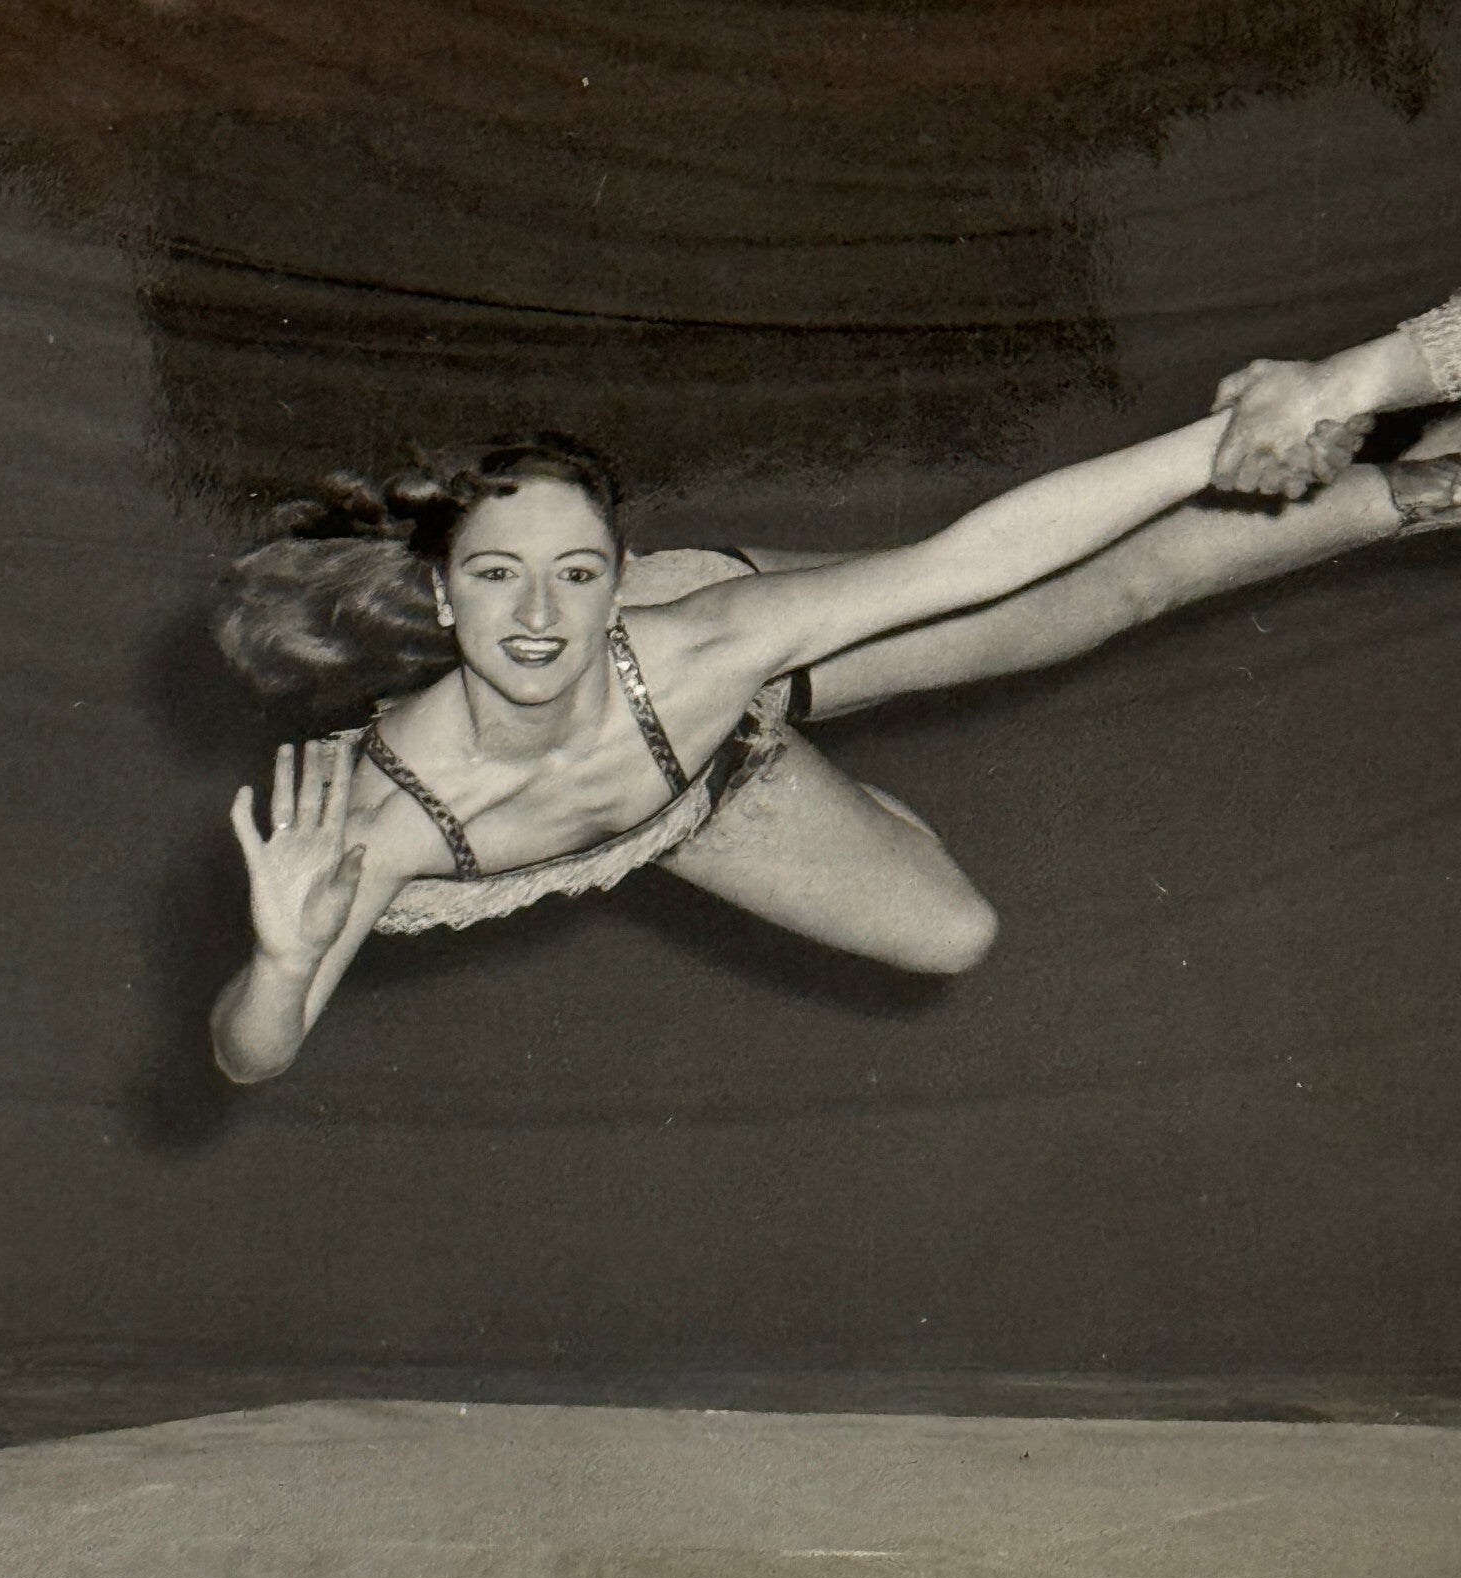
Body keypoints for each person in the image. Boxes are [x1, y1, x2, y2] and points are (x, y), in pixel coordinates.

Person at [209, 299, 1461, 1085]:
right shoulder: (378, 825)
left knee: (1081, 603)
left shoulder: (696, 640)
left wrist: (1243, 434)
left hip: (684, 711)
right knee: (949, 931)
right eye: (496, 580)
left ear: (616, 585)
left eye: (577, 576)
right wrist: (278, 961)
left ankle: (1422, 489)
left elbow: (970, 559)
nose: (538, 619)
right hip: (669, 794)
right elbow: (251, 1055)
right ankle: (797, 775)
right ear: (440, 601)